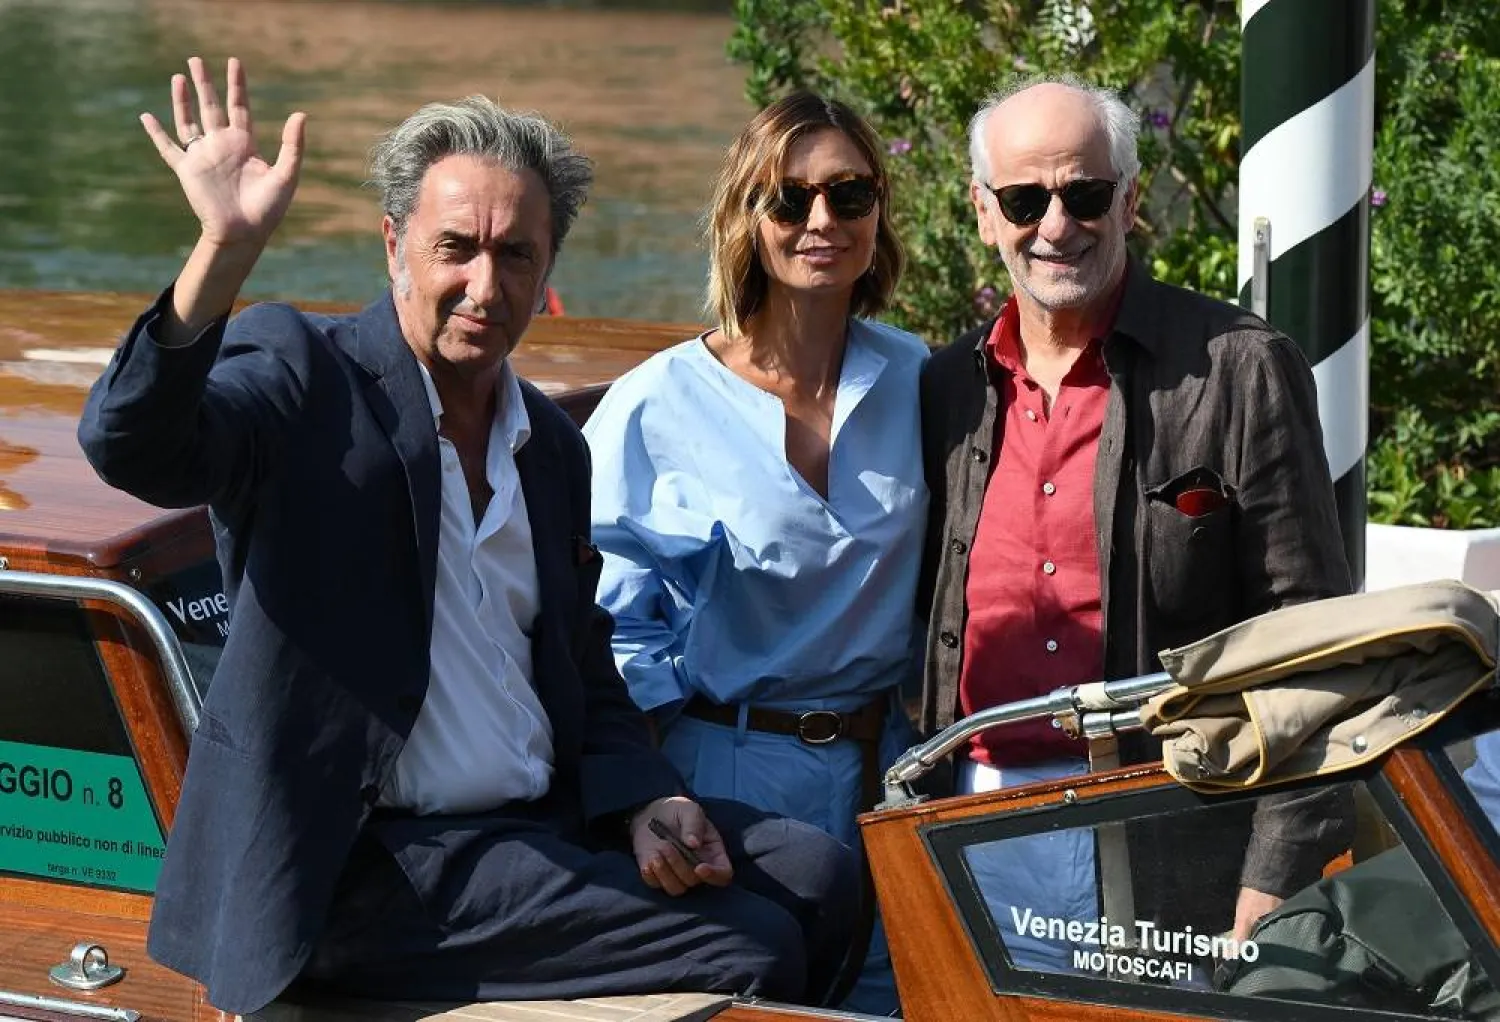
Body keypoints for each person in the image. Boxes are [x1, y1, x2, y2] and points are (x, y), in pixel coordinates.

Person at [77, 58, 857, 1017]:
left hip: (536, 824)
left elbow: (581, 661)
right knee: (753, 946)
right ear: (394, 246)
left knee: (822, 872)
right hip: (369, 865)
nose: (484, 284)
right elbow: (131, 444)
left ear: (546, 271)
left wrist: (644, 795)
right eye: (456, 248)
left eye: (516, 255)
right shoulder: (303, 375)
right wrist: (222, 253)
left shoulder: (552, 449)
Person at [916, 75, 1355, 972]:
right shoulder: (945, 386)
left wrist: (1273, 876)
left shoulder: (1239, 370)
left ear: (1131, 197)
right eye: (1023, 198)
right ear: (982, 209)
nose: (1054, 225)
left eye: (1085, 194)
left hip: (1163, 820)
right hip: (966, 818)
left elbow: (1310, 641)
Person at [583, 90, 927, 1014]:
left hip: (887, 772)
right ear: (749, 218)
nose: (822, 221)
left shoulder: (923, 383)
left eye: (849, 196)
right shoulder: (656, 404)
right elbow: (609, 630)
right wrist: (642, 798)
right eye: (790, 198)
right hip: (725, 771)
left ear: (877, 213)